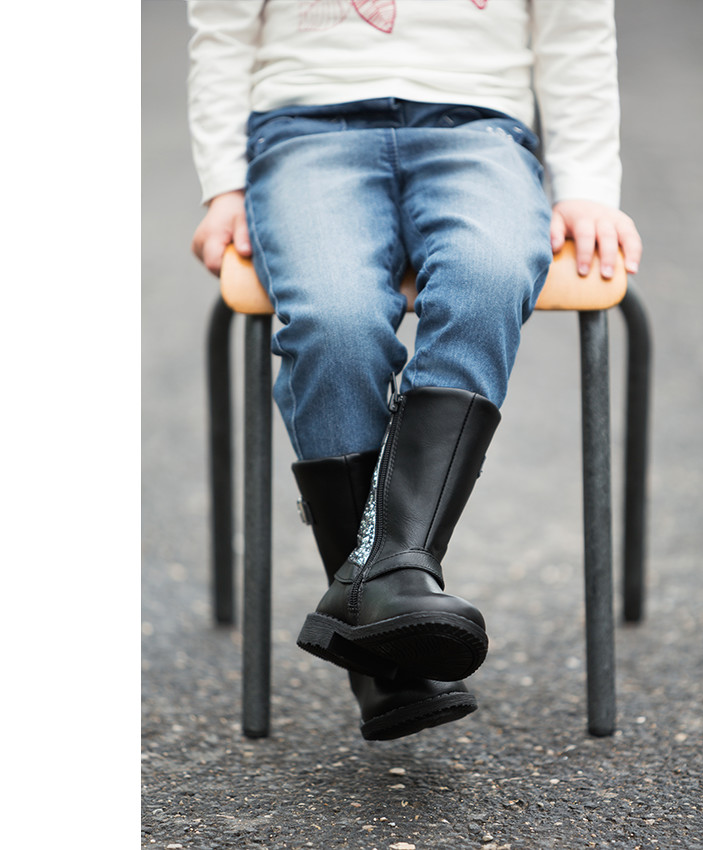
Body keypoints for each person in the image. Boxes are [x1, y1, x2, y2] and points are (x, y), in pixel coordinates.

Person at [187, 0, 642, 741]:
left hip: (480, 127)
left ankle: (374, 609)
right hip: (304, 131)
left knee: (489, 275)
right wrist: (223, 186)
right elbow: (222, 26)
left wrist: (586, 183)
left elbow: (576, 29)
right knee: (333, 320)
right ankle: (392, 605)